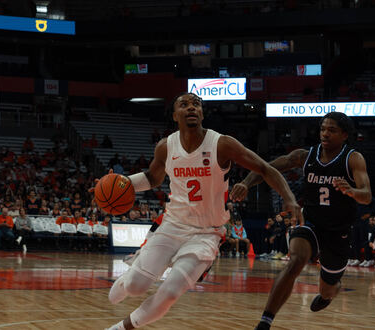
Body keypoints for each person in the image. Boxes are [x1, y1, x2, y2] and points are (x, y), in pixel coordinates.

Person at [102, 93, 302, 330]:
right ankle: (129, 277)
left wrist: (290, 199)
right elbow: (152, 178)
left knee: (171, 291)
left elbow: (265, 168)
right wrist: (120, 182)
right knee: (135, 287)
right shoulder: (166, 146)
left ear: (202, 113)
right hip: (172, 225)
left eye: (196, 104)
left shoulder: (222, 144)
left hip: (207, 233)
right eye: (184, 105)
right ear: (175, 115)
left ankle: (118, 329)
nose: (191, 108)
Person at [230, 112, 372, 329]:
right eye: (323, 128)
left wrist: (352, 191)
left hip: (338, 231)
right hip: (311, 222)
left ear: (344, 135)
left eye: (332, 130)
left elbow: (367, 195)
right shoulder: (305, 156)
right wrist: (246, 183)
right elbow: (267, 168)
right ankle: (265, 321)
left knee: (328, 288)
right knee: (296, 260)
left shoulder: (352, 158)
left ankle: (329, 293)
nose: (325, 133)